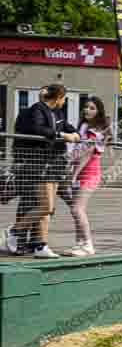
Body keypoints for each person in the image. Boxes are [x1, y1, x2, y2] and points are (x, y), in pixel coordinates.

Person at [6, 84, 80, 258]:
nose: (64, 101)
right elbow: (39, 129)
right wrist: (63, 136)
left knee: (49, 208)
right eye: (63, 98)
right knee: (45, 206)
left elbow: (68, 127)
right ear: (59, 97)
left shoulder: (58, 113)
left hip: (54, 164)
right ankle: (15, 232)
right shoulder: (37, 109)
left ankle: (41, 246)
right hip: (40, 163)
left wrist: (74, 133)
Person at [66, 96, 110, 256]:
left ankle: (88, 244)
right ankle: (80, 244)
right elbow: (78, 151)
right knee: (76, 209)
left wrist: (74, 174)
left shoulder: (96, 129)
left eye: (92, 108)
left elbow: (88, 153)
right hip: (80, 171)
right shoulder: (84, 126)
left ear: (98, 111)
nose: (87, 110)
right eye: (86, 107)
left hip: (89, 172)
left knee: (77, 209)